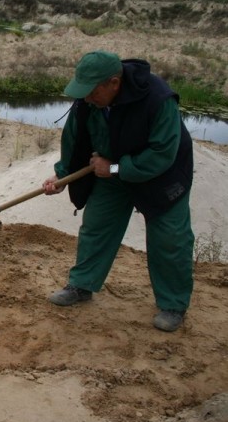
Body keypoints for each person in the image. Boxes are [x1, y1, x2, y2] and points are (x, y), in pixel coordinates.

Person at [43, 50, 194, 332]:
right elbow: (75, 141)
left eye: (91, 92)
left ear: (114, 82)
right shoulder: (88, 101)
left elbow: (163, 153)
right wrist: (61, 176)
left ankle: (173, 304)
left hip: (163, 176)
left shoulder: (158, 100)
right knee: (96, 226)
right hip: (110, 171)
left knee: (170, 239)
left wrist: (113, 168)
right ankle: (82, 285)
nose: (86, 98)